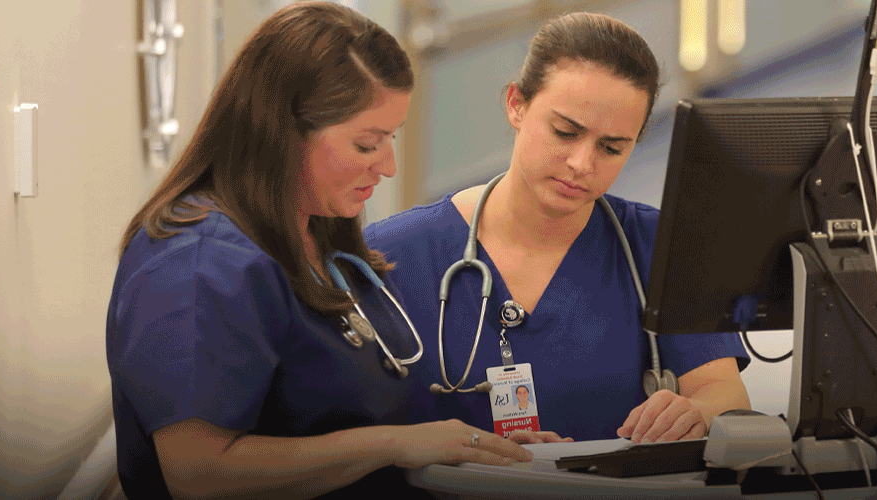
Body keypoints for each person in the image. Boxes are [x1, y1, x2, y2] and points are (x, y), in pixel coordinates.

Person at [105, 3, 529, 499]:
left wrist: (474, 446)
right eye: (367, 145)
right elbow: (198, 473)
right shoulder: (198, 268)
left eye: (390, 139)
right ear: (283, 134)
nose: (388, 166)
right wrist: (394, 444)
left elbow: (346, 410)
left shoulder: (318, 233)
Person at [367, 12, 749, 446]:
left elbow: (724, 395)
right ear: (516, 104)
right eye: (565, 132)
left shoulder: (661, 248)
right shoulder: (390, 256)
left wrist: (697, 412)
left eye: (611, 147)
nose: (582, 165)